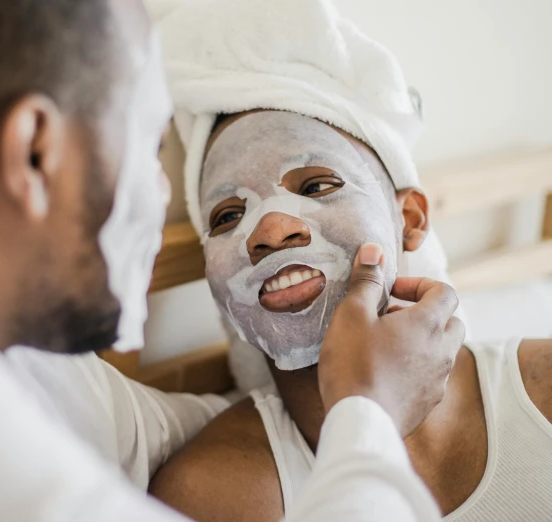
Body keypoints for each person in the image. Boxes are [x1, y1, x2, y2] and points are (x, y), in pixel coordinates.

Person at [0, 0, 462, 520]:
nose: (163, 193)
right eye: (144, 141)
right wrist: (367, 410)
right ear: (36, 153)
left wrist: (316, 392)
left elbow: (166, 423)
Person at [148, 1, 552, 520]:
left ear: (409, 219)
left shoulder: (542, 390)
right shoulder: (215, 493)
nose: (268, 230)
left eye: (318, 185)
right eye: (227, 217)